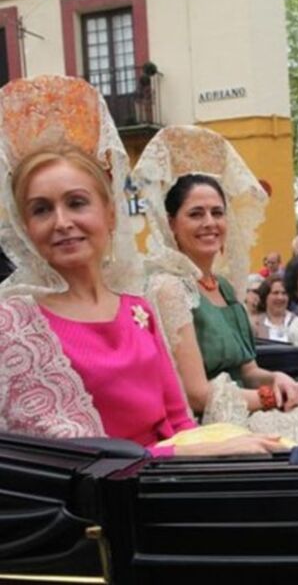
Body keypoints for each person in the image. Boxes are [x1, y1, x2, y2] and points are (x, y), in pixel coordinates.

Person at [0, 75, 282, 456]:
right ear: (25, 228)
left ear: (110, 213)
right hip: (102, 509)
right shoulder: (15, 324)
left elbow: (180, 420)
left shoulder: (138, 310)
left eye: (77, 202)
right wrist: (187, 454)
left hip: (172, 485)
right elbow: (64, 464)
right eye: (41, 209)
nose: (62, 221)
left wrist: (217, 448)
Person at [133, 125, 298, 424]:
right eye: (196, 214)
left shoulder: (225, 288)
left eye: (217, 213)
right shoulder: (168, 288)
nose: (209, 223)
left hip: (248, 409)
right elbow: (197, 395)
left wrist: (278, 379)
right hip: (211, 425)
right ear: (171, 223)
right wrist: (270, 398)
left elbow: (247, 371)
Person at [252, 275, 296, 342]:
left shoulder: (297, 322)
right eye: (275, 293)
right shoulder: (255, 325)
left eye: (284, 293)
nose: (280, 297)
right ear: (265, 296)